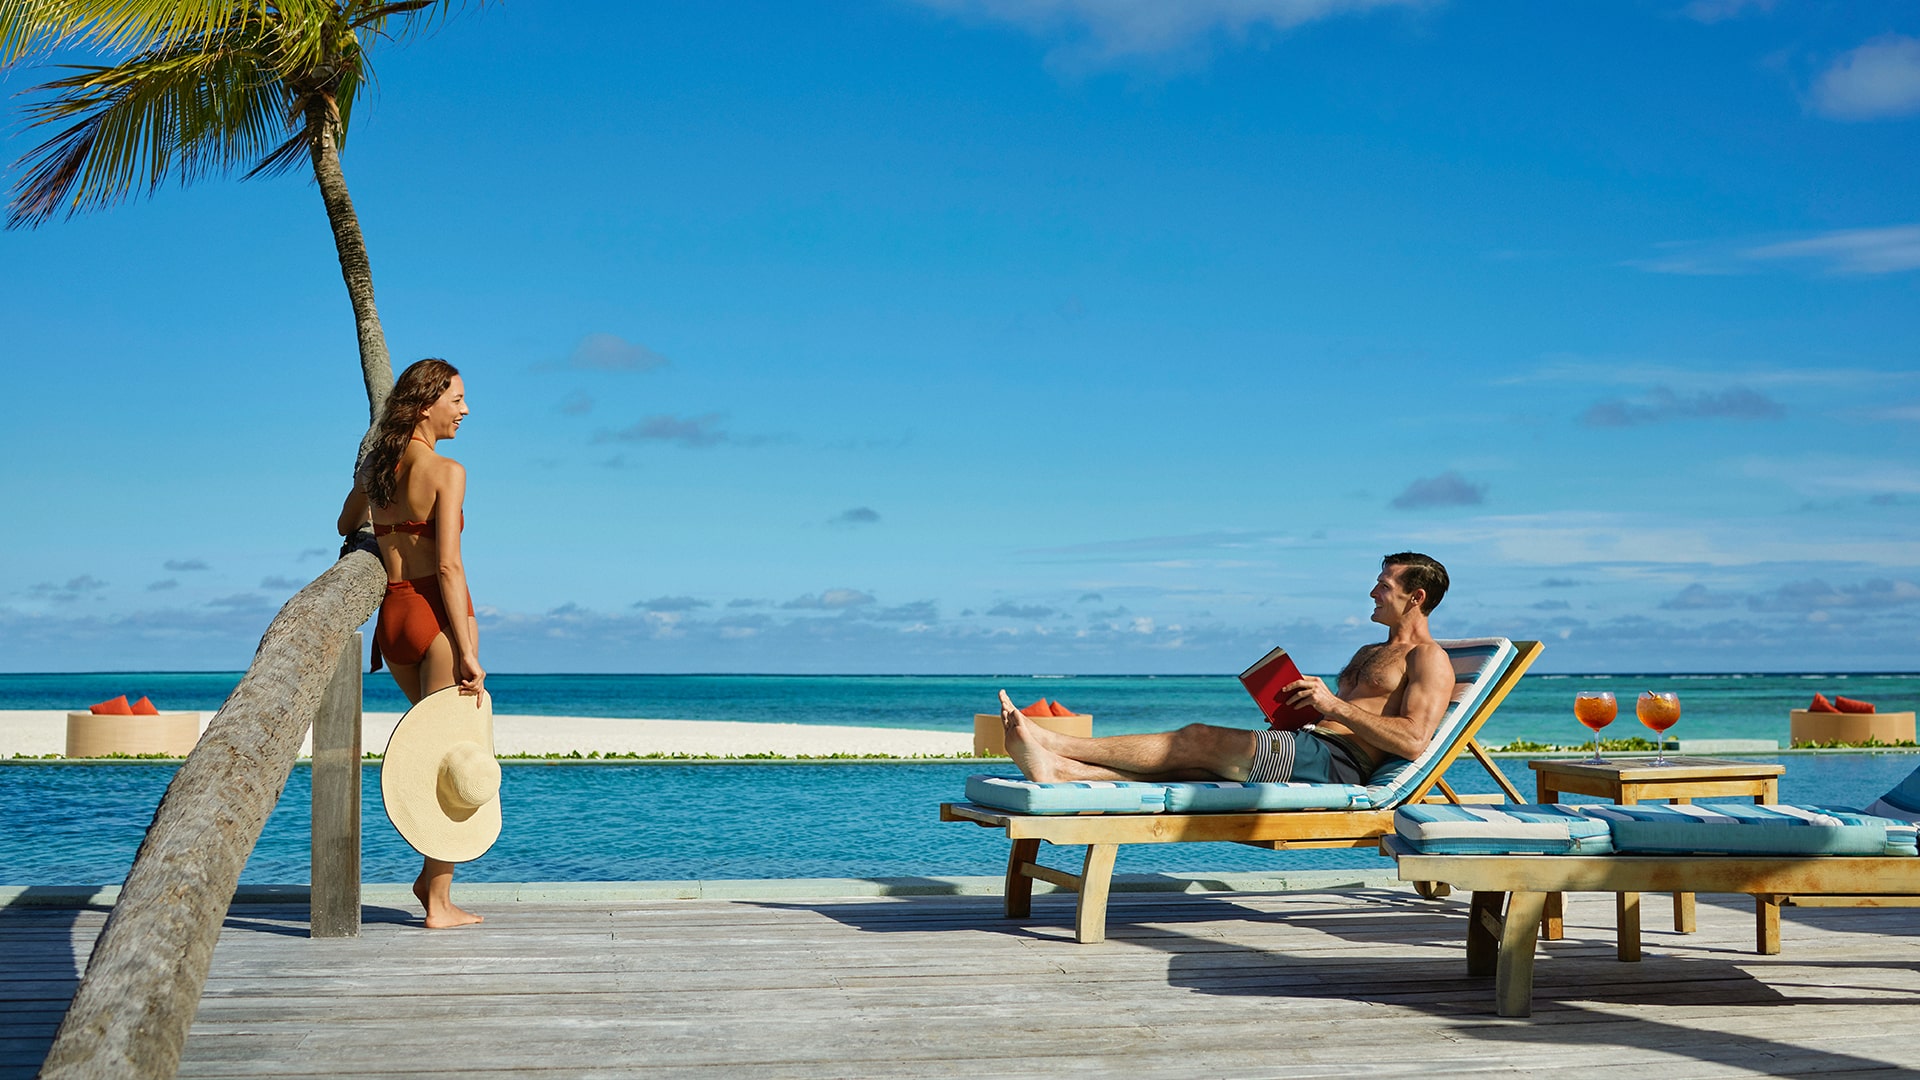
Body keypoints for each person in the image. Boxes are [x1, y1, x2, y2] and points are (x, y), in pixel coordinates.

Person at [1000, 553, 1456, 787]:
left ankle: (1054, 741)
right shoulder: (1369, 649)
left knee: (1197, 737)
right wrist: (1301, 711)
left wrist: (1333, 704)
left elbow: (1415, 742)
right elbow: (1347, 713)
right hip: (1310, 744)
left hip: (1339, 764)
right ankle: (1063, 771)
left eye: (1383, 586)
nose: (1372, 593)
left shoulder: (1428, 657)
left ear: (1415, 598)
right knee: (1195, 768)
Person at [338, 357, 487, 928]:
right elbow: (449, 567)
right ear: (427, 405)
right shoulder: (448, 472)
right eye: (457, 399)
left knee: (436, 749)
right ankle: (439, 901)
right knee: (452, 755)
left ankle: (432, 882)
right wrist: (468, 650)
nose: (465, 409)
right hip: (438, 620)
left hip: (394, 618)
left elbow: (346, 521)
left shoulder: (380, 465)